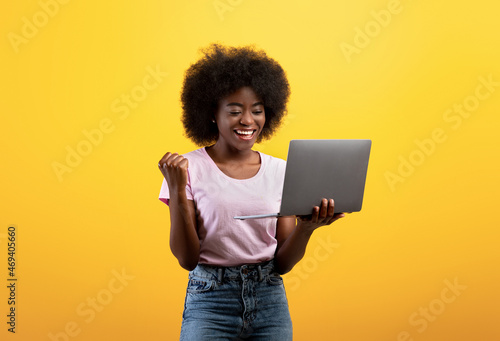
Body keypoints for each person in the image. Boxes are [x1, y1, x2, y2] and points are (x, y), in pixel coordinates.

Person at [158, 44, 345, 341]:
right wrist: (178, 191)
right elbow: (187, 259)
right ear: (211, 114)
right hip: (209, 300)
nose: (248, 121)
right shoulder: (185, 169)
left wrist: (307, 228)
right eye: (234, 111)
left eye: (257, 111)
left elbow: (283, 264)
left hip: (269, 299)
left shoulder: (281, 171)